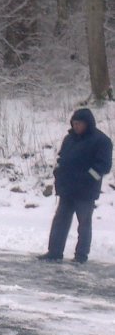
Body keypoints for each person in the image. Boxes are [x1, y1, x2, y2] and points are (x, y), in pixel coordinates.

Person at [38, 108, 112, 264]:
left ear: (87, 124)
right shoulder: (69, 139)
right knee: (60, 221)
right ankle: (55, 251)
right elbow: (62, 157)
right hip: (67, 189)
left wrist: (87, 179)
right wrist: (59, 171)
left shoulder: (101, 141)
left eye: (79, 123)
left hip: (86, 191)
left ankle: (81, 255)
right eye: (74, 123)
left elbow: (103, 166)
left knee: (84, 223)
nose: (76, 126)